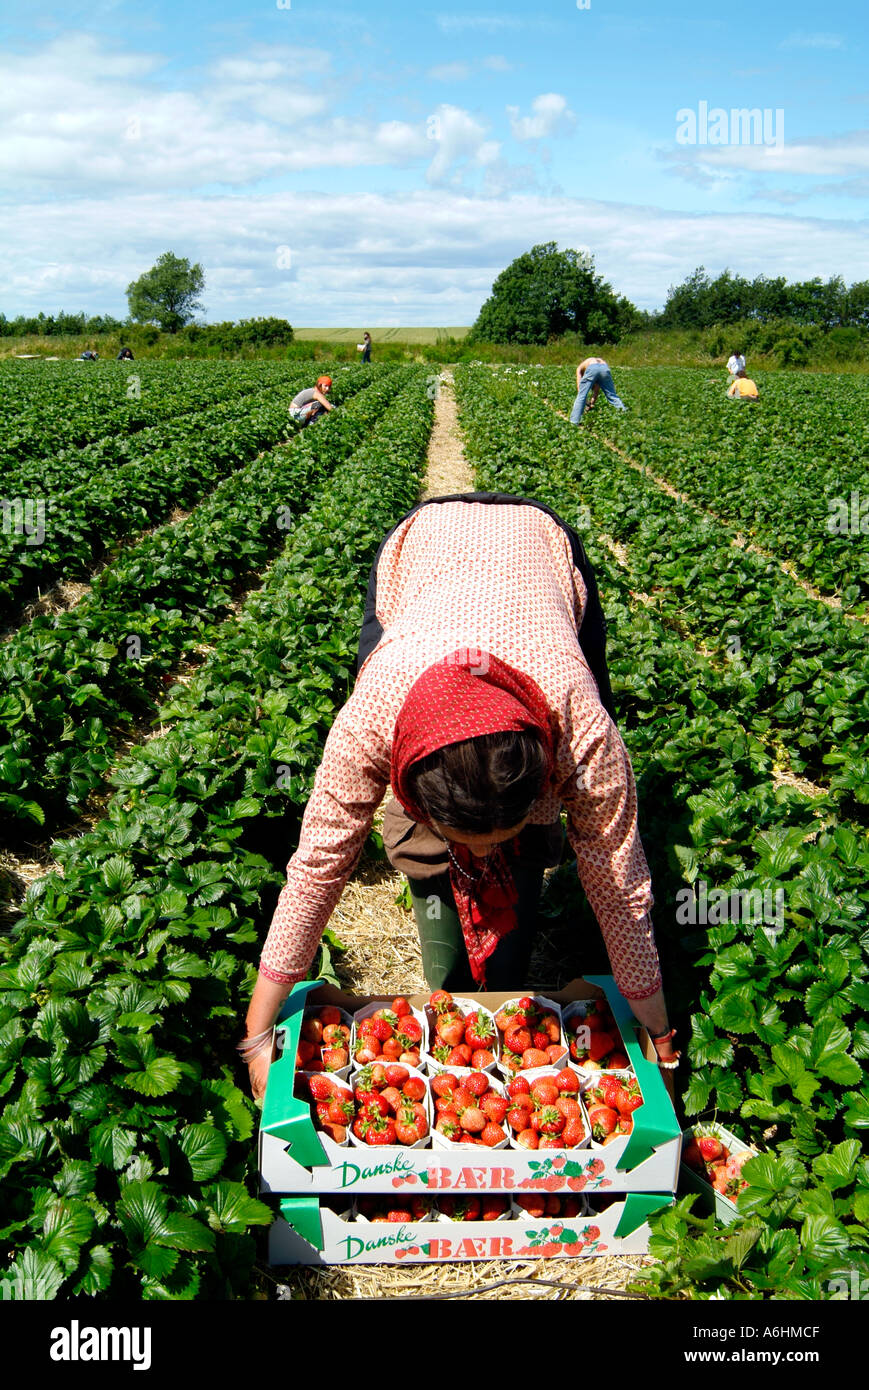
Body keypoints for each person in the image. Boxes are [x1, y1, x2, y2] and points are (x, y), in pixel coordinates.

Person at [240, 493, 677, 1098]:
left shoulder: (579, 720)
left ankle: (512, 891)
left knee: (544, 845)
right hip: (422, 546)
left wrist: (656, 1028)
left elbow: (616, 876)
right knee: (416, 838)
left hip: (539, 546)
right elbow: (319, 866)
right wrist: (257, 1030)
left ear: (546, 772)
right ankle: (447, 927)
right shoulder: (373, 717)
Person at [569, 357, 626, 424]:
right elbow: (596, 390)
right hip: (605, 368)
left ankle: (574, 422)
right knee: (612, 395)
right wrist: (591, 403)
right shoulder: (595, 361)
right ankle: (625, 415)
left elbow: (579, 386)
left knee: (581, 395)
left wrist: (585, 400)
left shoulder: (579, 368)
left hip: (593, 367)